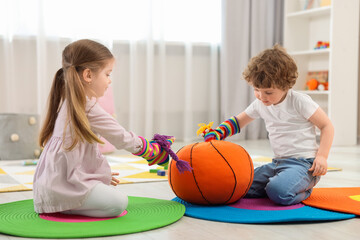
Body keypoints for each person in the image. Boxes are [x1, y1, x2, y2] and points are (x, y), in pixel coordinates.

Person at [33, 39, 175, 217]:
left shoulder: (69, 102)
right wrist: (151, 150)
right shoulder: (87, 107)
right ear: (88, 75)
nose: (109, 81)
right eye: (107, 74)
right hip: (63, 188)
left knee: (109, 196)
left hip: (49, 187)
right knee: (119, 203)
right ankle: (66, 204)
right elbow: (121, 137)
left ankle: (63, 202)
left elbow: (74, 159)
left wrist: (98, 179)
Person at [201, 44, 334, 205]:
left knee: (278, 192)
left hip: (305, 164)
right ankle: (279, 184)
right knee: (239, 187)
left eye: (268, 92)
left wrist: (322, 157)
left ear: (286, 86)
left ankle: (304, 190)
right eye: (256, 90)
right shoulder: (260, 103)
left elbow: (327, 126)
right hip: (277, 163)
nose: (261, 96)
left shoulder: (299, 101)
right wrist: (218, 133)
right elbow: (238, 121)